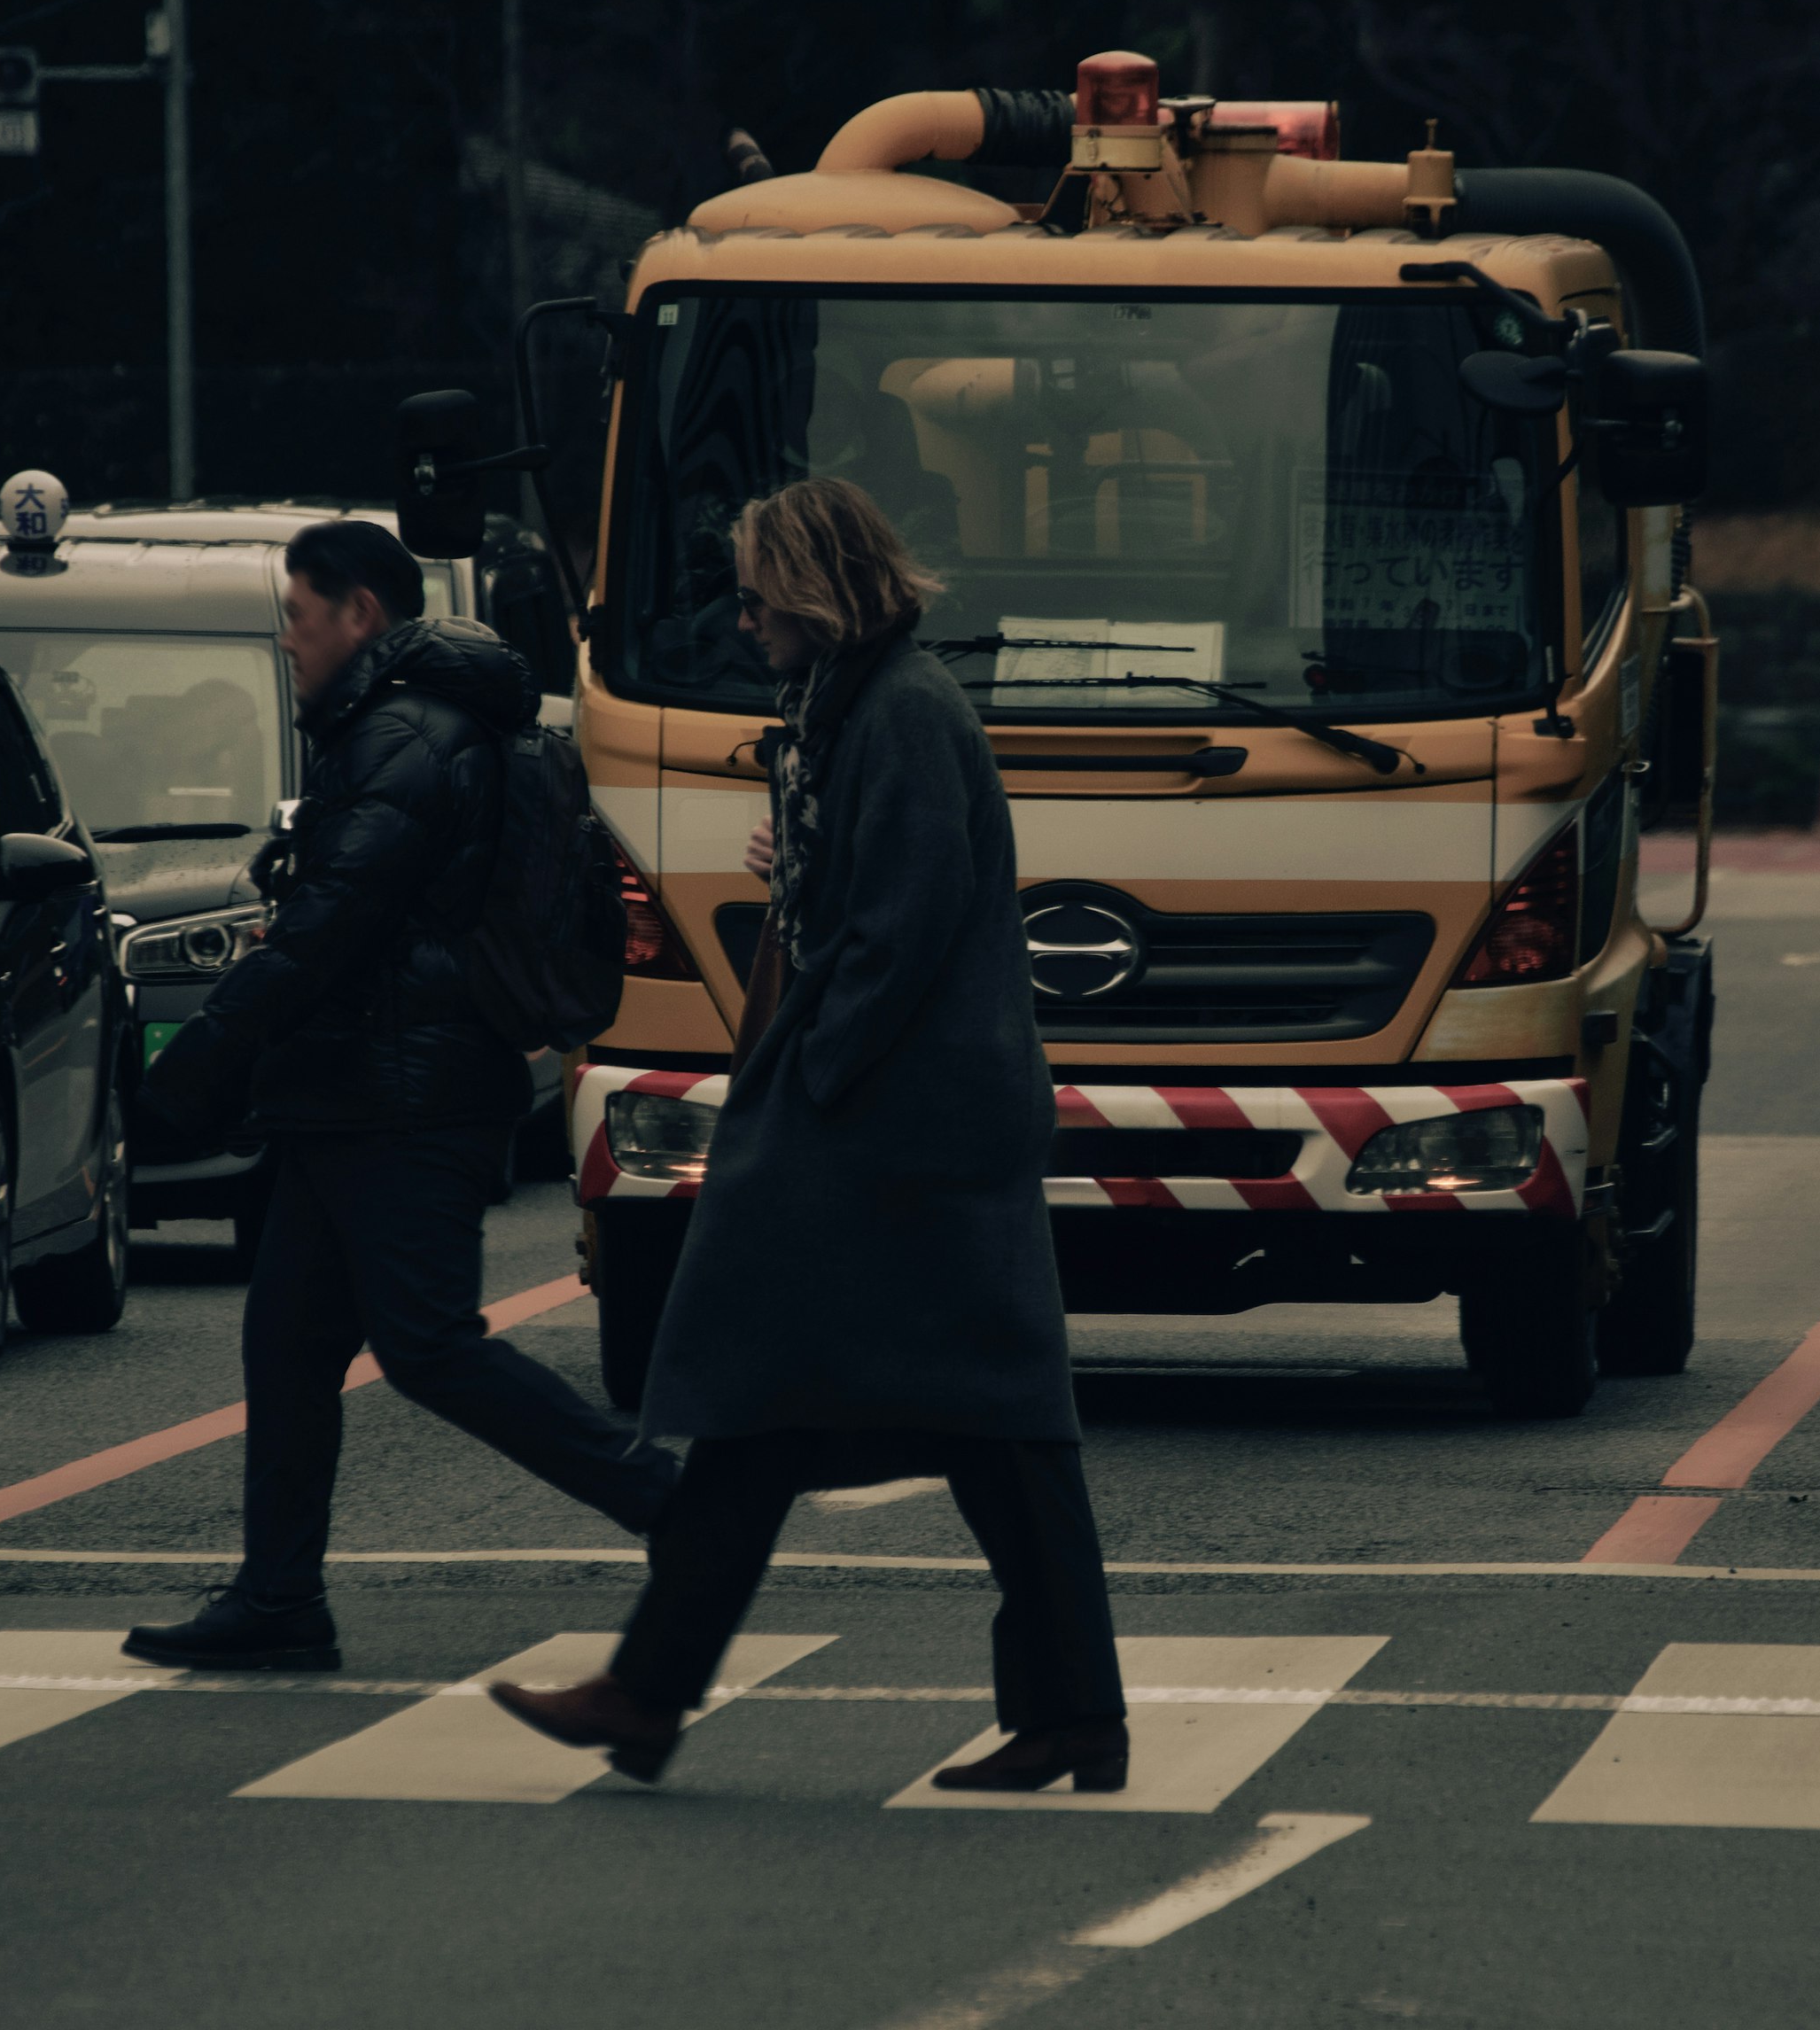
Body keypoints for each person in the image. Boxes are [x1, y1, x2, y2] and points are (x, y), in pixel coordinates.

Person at [486, 478, 1128, 1790]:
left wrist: (811, 1081)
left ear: (815, 588)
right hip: (909, 1123)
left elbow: (899, 931)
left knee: (866, 1408)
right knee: (866, 1413)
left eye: (757, 592)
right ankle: (1059, 1713)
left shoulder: (896, 714)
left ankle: (657, 1692)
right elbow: (883, 899)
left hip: (900, 1131)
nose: (743, 618)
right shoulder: (866, 705)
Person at [121, 518, 673, 1672]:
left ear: (360, 614)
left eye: (298, 615)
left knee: (428, 1345)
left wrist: (197, 1063)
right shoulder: (399, 728)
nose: (286, 642)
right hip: (356, 1093)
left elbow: (328, 932)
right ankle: (279, 1601)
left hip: (407, 1097)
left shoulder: (407, 738)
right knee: (287, 1343)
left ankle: (671, 1503)